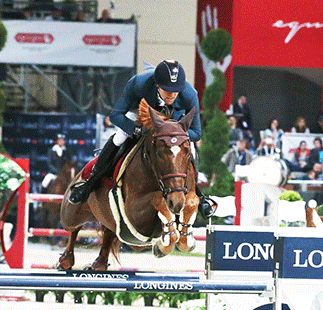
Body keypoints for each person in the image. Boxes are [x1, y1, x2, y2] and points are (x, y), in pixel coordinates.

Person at [68, 60, 214, 218]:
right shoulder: (139, 84)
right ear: (157, 85)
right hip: (139, 114)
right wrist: (137, 129)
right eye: (167, 90)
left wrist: (175, 134)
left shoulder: (190, 94)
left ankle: (198, 195)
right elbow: (116, 115)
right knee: (119, 138)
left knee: (185, 149)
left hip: (173, 122)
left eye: (176, 91)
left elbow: (196, 132)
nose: (171, 95)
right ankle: (90, 183)